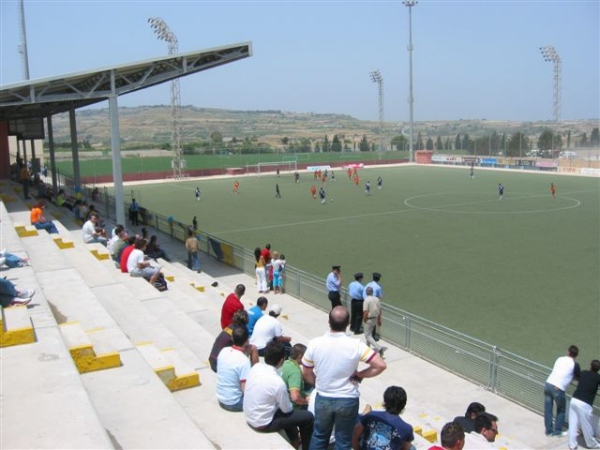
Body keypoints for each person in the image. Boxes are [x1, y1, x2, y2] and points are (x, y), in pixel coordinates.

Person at [302, 306, 387, 450]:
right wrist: (361, 374)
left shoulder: (314, 344)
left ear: (328, 322)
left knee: (319, 436)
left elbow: (306, 372)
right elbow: (380, 365)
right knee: (343, 441)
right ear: (348, 324)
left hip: (323, 397)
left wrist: (318, 384)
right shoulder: (356, 345)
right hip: (348, 399)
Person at [244, 341, 314, 450]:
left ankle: (295, 439)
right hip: (263, 423)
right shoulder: (277, 382)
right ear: (281, 360)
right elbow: (287, 411)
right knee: (308, 417)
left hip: (250, 416)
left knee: (285, 411)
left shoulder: (255, 367)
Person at [352, 385, 415, 450]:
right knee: (412, 447)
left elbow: (354, 438)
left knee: (362, 424)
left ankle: (364, 413)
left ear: (385, 401)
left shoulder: (371, 415)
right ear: (403, 405)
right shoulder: (407, 428)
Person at [544, 345, 581, 437]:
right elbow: (578, 377)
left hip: (548, 384)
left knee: (548, 409)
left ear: (568, 352)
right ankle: (557, 431)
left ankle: (549, 431)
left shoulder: (560, 359)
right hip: (558, 388)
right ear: (576, 355)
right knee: (561, 409)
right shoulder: (575, 365)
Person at [216, 325, 252, 412]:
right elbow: (246, 390)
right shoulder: (244, 361)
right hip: (235, 402)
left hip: (221, 399)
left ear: (232, 339)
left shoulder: (223, 351)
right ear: (247, 340)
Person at [568, 359, 600, 450]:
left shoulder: (584, 373)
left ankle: (572, 444)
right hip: (585, 404)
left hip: (574, 400)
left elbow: (577, 377)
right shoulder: (598, 377)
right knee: (586, 425)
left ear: (590, 366)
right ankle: (592, 444)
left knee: (573, 423)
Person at [281, 343, 310, 410]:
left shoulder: (286, 363)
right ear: (300, 356)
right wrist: (307, 402)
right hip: (294, 408)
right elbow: (295, 398)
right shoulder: (295, 373)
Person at [363, 286, 387, 357]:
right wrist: (379, 319)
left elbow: (365, 311)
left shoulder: (366, 300)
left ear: (366, 292)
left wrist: (364, 319)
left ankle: (379, 348)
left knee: (367, 335)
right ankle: (366, 350)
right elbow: (380, 310)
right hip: (375, 318)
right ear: (372, 292)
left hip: (369, 319)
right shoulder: (377, 299)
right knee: (369, 334)